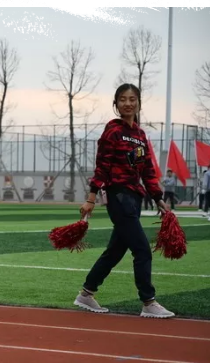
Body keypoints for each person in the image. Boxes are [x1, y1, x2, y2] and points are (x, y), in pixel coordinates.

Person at [74, 83, 174, 318]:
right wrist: (91, 198)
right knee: (142, 250)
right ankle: (148, 301)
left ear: (138, 103)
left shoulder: (140, 135)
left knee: (115, 251)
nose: (127, 103)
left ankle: (86, 294)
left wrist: (158, 198)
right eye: (122, 99)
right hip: (118, 196)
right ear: (116, 104)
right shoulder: (113, 130)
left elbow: (147, 170)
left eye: (132, 99)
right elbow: (102, 166)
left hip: (134, 197)